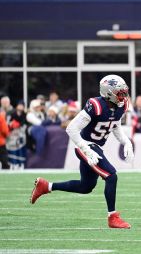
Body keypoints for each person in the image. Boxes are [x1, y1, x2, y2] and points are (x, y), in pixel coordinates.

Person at [30, 74, 134, 229]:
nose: (123, 96)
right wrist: (86, 149)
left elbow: (115, 125)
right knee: (111, 176)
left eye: (124, 92)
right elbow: (71, 129)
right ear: (108, 93)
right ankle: (113, 217)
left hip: (95, 147)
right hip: (85, 145)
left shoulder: (120, 105)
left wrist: (126, 142)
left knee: (86, 187)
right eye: (120, 93)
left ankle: (46, 186)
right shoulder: (96, 105)